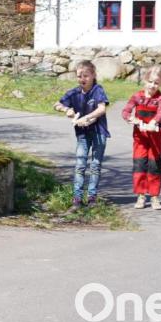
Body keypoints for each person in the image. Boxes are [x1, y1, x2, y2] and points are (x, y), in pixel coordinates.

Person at [53, 60, 110, 212]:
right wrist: (66, 110)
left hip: (99, 132)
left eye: (86, 75)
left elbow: (101, 109)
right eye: (79, 76)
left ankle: (92, 198)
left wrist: (86, 117)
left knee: (95, 166)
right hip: (82, 134)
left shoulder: (98, 90)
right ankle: (77, 199)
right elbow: (56, 104)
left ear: (93, 75)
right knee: (80, 165)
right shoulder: (74, 92)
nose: (82, 79)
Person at [121, 65, 161, 210]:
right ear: (145, 80)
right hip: (140, 137)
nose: (153, 86)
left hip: (155, 137)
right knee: (140, 165)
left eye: (156, 83)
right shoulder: (137, 96)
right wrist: (132, 119)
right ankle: (141, 195)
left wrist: (153, 122)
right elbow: (125, 111)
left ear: (160, 84)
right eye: (150, 82)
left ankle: (154, 196)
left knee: (154, 166)